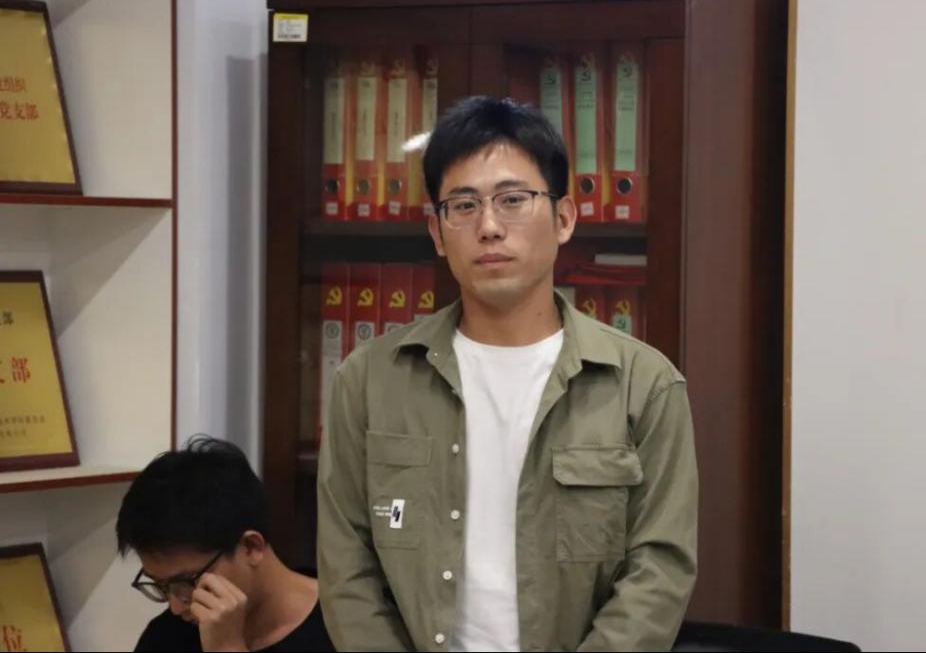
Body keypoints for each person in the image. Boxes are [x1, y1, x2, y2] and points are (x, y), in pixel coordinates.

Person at [318, 95, 698, 652]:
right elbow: (346, 567)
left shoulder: (643, 384)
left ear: (564, 218)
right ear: (437, 232)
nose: (489, 226)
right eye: (464, 205)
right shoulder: (369, 380)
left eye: (513, 200)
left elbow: (659, 570)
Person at [117, 436, 333, 652]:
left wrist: (227, 648)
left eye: (186, 582)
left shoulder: (342, 624)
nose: (176, 607)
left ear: (251, 547)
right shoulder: (167, 635)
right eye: (161, 586)